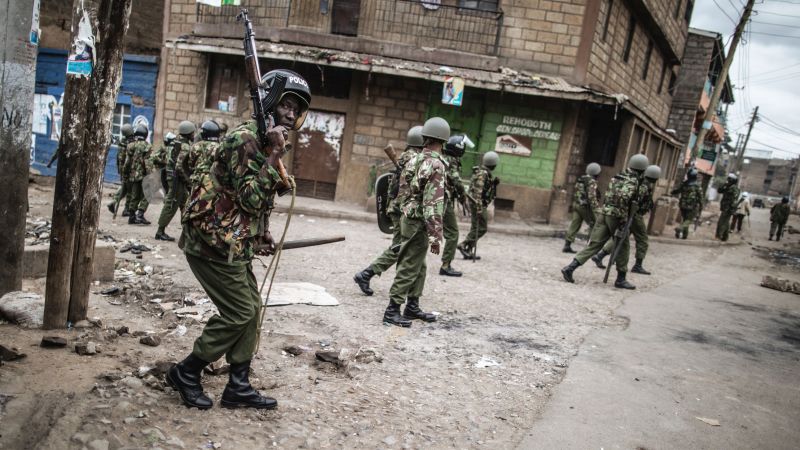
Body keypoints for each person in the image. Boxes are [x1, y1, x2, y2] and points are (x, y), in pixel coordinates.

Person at [166, 69, 311, 410]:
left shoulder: (265, 140)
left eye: (297, 108)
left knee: (252, 308)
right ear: (270, 102)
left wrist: (262, 233)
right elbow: (248, 196)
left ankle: (238, 385)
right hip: (211, 243)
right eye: (286, 105)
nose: (291, 114)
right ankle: (187, 372)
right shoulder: (246, 139)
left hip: (234, 241)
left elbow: (256, 201)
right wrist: (274, 156)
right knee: (238, 311)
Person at [383, 117, 449, 327]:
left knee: (419, 265)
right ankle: (392, 310)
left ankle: (412, 306)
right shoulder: (436, 165)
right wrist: (436, 236)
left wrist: (404, 213)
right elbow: (433, 203)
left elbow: (402, 190)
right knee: (410, 265)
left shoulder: (415, 158)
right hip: (419, 220)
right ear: (443, 140)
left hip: (407, 216)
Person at [561, 153, 649, 289]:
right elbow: (624, 199)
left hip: (605, 213)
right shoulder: (634, 182)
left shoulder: (618, 177)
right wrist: (623, 219)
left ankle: (570, 268)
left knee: (595, 244)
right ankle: (621, 278)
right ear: (643, 169)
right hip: (617, 216)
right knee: (623, 245)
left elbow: (609, 194)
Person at [353, 126, 424, 296]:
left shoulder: (408, 156)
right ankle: (367, 274)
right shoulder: (415, 158)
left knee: (401, 246)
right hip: (402, 209)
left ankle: (369, 275)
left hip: (397, 207)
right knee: (402, 247)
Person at [593, 165, 660, 275]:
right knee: (642, 239)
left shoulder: (642, 182)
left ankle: (600, 255)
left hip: (631, 215)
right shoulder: (644, 186)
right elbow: (634, 201)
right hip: (635, 215)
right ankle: (637, 265)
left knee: (622, 238)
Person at [154, 121, 195, 241]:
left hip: (173, 177)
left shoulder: (176, 142)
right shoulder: (185, 146)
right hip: (178, 180)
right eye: (192, 132)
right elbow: (180, 166)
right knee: (171, 204)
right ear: (188, 133)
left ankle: (187, 232)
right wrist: (188, 181)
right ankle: (160, 231)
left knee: (185, 204)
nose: (194, 135)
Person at [457, 151, 499, 260]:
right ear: (493, 164)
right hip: (477, 204)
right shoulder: (482, 174)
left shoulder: (484, 173)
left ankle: (468, 249)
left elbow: (486, 191)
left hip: (477, 203)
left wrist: (494, 184)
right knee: (482, 228)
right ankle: (464, 244)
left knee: (476, 227)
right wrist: (480, 209)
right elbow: (478, 193)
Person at [440, 134, 472, 277]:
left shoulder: (442, 157)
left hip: (434, 198)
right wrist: (463, 195)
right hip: (442, 200)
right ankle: (446, 265)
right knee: (453, 233)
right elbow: (456, 180)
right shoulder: (452, 161)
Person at [563, 162, 601, 253]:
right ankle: (589, 247)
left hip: (577, 204)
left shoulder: (581, 179)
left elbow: (576, 191)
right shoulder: (592, 182)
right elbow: (591, 196)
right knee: (593, 224)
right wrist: (596, 208)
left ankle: (567, 245)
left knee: (575, 224)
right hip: (585, 206)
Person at [123, 124, 153, 225]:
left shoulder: (131, 145)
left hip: (133, 175)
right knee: (147, 194)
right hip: (144, 175)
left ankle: (131, 217)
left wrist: (125, 175)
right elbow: (148, 163)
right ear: (145, 134)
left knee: (134, 195)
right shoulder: (148, 146)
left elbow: (127, 162)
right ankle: (140, 215)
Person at [107, 123, 135, 216]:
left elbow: (119, 159)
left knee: (125, 188)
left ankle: (114, 202)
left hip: (122, 169)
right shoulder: (129, 144)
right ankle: (125, 209)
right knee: (130, 190)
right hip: (128, 169)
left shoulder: (122, 143)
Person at [671, 168, 703, 240]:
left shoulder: (684, 183)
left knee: (685, 219)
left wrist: (672, 192)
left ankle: (684, 235)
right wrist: (701, 207)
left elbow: (677, 190)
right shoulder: (697, 186)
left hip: (682, 205)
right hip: (692, 206)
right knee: (689, 220)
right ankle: (680, 228)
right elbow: (701, 198)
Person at [715, 173, 740, 242]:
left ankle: (718, 236)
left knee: (721, 222)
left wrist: (732, 209)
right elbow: (719, 191)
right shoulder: (728, 187)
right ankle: (725, 237)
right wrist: (724, 185)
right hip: (725, 207)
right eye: (728, 179)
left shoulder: (734, 189)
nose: (728, 181)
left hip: (729, 208)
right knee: (726, 222)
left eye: (729, 180)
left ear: (733, 181)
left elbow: (734, 200)